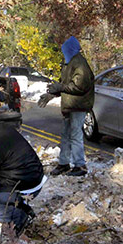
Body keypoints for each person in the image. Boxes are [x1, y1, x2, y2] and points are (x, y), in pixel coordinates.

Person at [47, 36, 94, 177]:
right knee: (66, 135)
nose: (64, 53)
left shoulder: (80, 63)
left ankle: (80, 165)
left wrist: (60, 87)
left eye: (65, 50)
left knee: (75, 135)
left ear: (71, 49)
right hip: (69, 106)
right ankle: (64, 163)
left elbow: (79, 86)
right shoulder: (70, 63)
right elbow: (66, 85)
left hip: (78, 105)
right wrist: (53, 92)